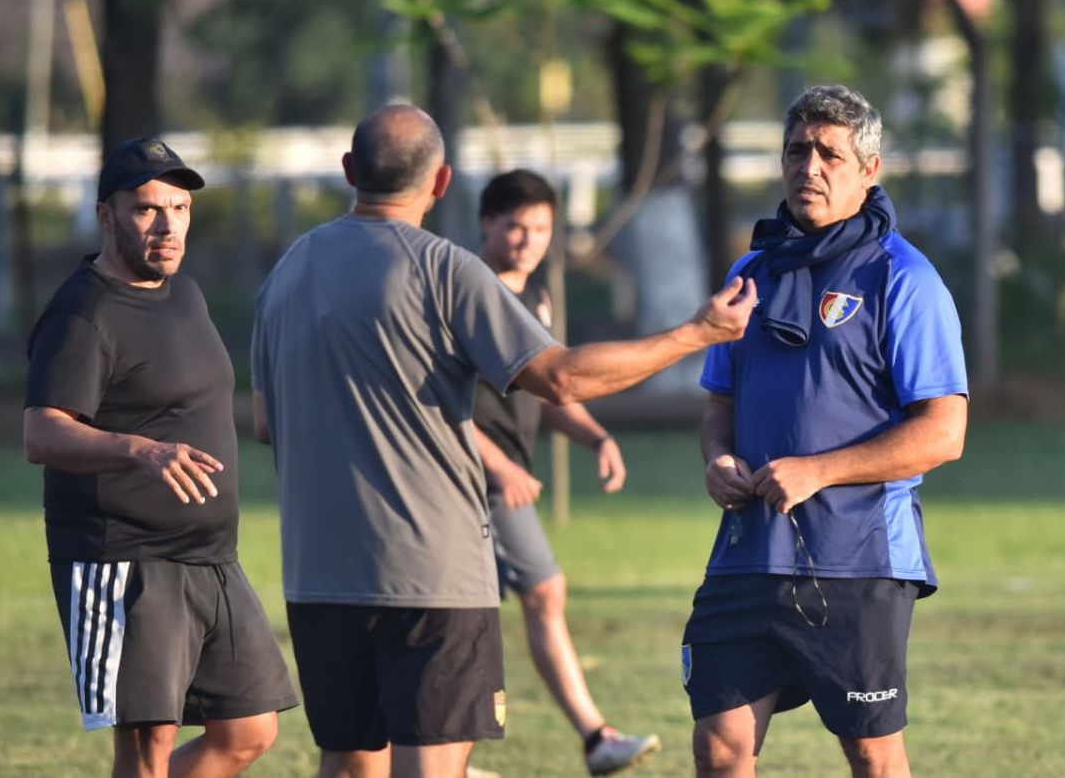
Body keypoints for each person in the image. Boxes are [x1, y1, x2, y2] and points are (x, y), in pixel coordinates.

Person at [250, 103, 756, 778]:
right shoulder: (445, 269)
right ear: (440, 183)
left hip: (317, 575)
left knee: (347, 765)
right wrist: (698, 333)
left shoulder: (288, 270)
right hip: (429, 578)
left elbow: (265, 423)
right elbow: (563, 378)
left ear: (349, 172)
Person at [682, 84, 969, 778]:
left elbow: (944, 431)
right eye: (796, 150)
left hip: (858, 559)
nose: (808, 166)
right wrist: (718, 457)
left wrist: (820, 468)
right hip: (748, 553)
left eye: (828, 153)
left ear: (869, 170)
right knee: (720, 746)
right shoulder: (749, 273)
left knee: (871, 751)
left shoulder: (904, 277)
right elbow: (719, 398)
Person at [23, 137, 297, 778]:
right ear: (106, 215)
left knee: (249, 728)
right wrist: (138, 450)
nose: (168, 225)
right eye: (148, 209)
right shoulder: (82, 313)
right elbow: (42, 433)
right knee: (146, 749)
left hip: (210, 557)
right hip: (123, 559)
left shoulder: (184, 292)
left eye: (180, 207)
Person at [471, 169, 660, 776]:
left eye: (541, 228)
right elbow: (429, 405)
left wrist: (596, 435)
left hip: (504, 478)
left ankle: (586, 737)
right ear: (487, 225)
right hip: (471, 481)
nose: (528, 240)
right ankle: (591, 737)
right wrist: (498, 466)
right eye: (515, 226)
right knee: (527, 597)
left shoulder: (536, 299)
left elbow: (552, 387)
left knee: (477, 617)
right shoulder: (465, 295)